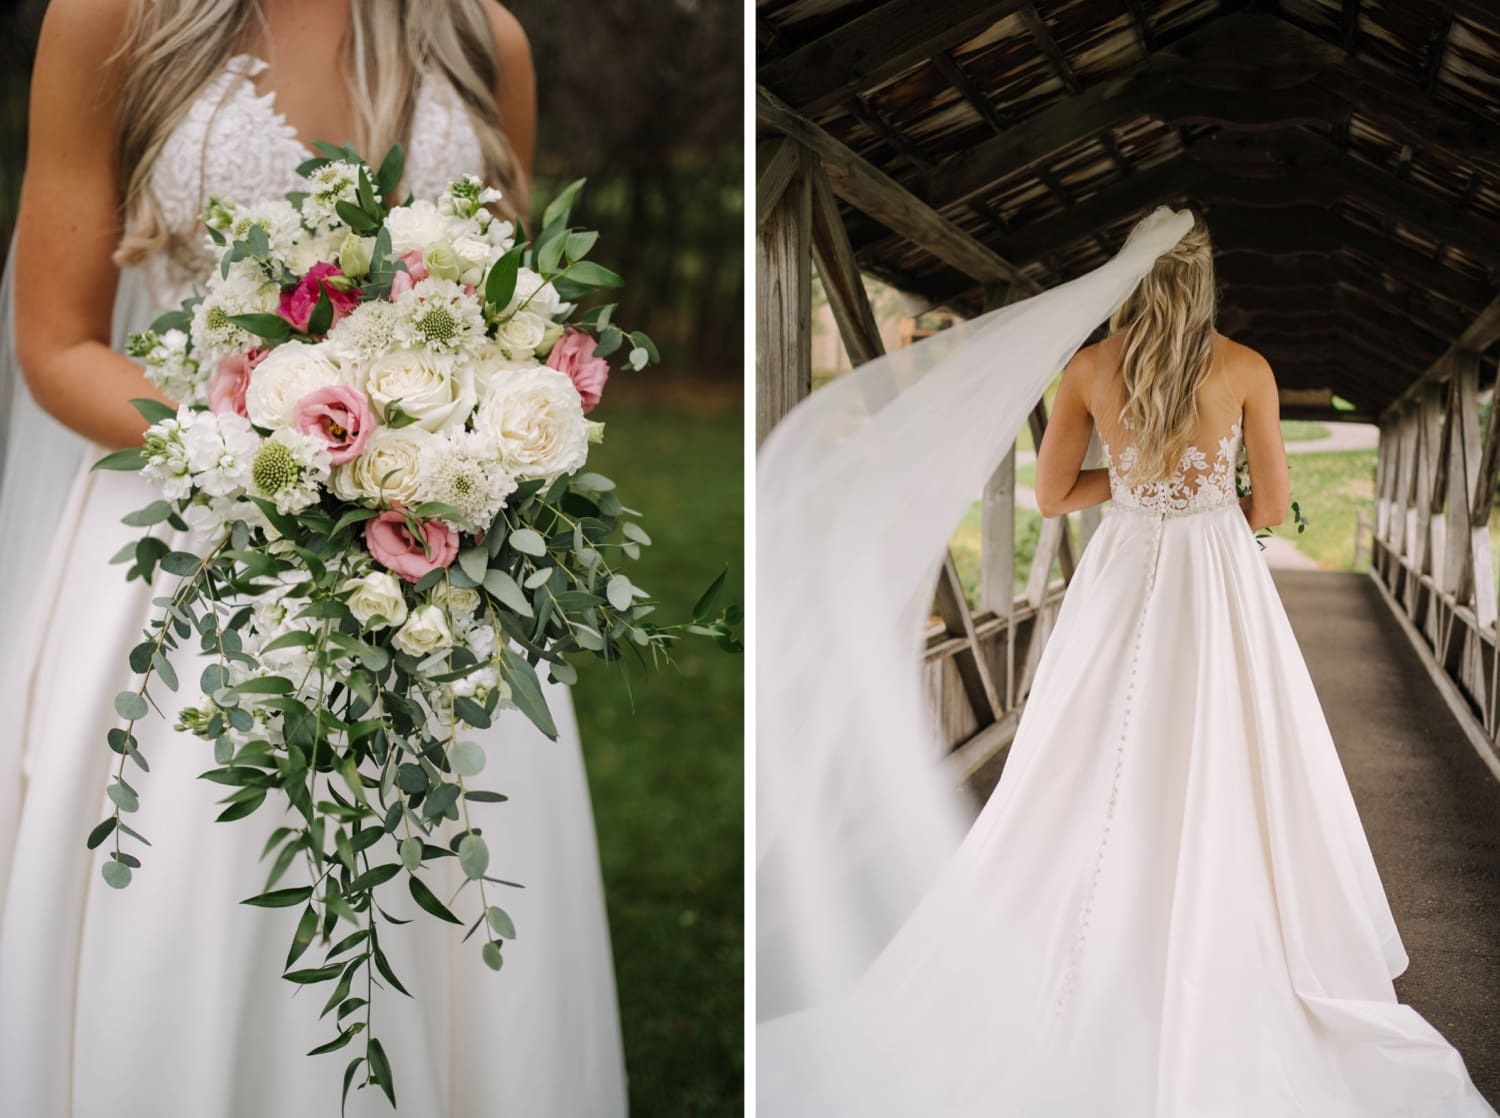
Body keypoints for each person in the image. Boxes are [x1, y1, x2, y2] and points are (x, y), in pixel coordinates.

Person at [0, 2, 626, 1114]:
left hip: (433, 568)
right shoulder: (110, 16)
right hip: (186, 558)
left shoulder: (485, 40)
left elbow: (503, 309)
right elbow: (55, 341)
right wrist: (283, 441)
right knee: (201, 900)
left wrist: (454, 427)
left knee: (456, 909)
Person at [756, 210, 1496, 1115]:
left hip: (1121, 571)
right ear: (1204, 282)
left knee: (1083, 755)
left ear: (1131, 280)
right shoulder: (1247, 369)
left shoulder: (1090, 369)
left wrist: (1138, 484)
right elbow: (1268, 507)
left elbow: (1057, 493)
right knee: (1229, 747)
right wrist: (1200, 491)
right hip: (1214, 581)